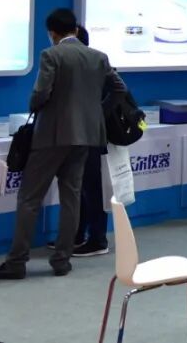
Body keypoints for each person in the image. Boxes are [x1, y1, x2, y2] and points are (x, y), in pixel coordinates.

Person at [0, 9, 125, 280]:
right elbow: (119, 88)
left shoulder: (51, 55)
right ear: (75, 29)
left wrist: (36, 105)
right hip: (86, 137)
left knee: (30, 198)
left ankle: (17, 261)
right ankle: (62, 260)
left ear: (52, 33)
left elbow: (40, 93)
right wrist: (96, 113)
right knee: (71, 197)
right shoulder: (98, 57)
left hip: (52, 135)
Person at [68, 25, 111, 257]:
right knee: (81, 187)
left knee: (93, 188)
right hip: (81, 134)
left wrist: (96, 113)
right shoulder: (90, 64)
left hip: (92, 135)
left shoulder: (96, 63)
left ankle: (97, 239)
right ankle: (77, 234)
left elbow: (118, 91)